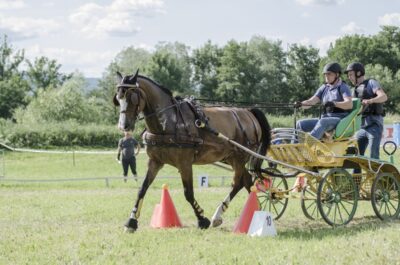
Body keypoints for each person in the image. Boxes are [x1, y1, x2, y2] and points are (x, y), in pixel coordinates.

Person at [295, 62, 353, 140]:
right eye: (325, 74)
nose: (326, 76)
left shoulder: (343, 87)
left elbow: (349, 104)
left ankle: (308, 145)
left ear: (337, 75)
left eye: (329, 74)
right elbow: (311, 101)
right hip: (324, 119)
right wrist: (301, 104)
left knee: (323, 121)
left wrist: (334, 103)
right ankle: (295, 148)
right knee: (299, 124)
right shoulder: (324, 88)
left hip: (339, 120)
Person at [344, 62, 388, 159]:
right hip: (361, 128)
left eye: (351, 74)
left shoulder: (371, 83)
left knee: (373, 156)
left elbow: (384, 97)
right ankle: (357, 175)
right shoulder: (354, 90)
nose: (349, 77)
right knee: (356, 157)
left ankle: (376, 174)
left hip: (374, 125)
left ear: (358, 73)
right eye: (348, 75)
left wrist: (370, 101)